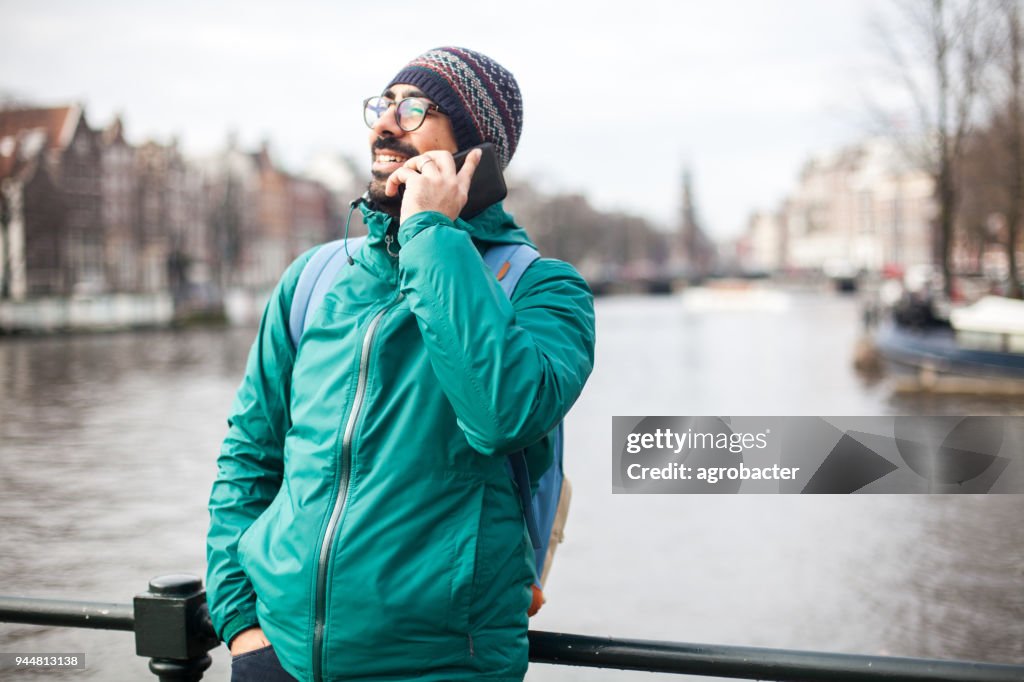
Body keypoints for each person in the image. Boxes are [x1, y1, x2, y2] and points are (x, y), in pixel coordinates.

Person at [205, 46, 596, 682]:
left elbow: (502, 415)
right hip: (276, 658)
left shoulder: (544, 290)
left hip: (436, 667)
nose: (385, 123)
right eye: (383, 104)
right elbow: (249, 453)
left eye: (415, 109)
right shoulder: (316, 277)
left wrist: (430, 234)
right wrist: (240, 622)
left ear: (475, 153)